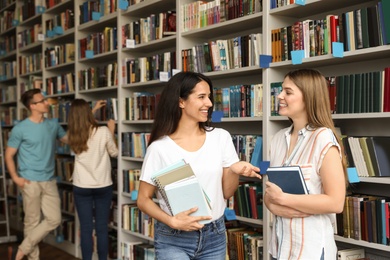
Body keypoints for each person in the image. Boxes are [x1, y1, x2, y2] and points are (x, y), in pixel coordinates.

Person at [137, 71, 261, 260]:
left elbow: (227, 193)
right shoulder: (159, 148)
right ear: (181, 102)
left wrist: (234, 170)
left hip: (214, 234)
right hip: (173, 237)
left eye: (209, 97)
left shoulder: (221, 138)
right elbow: (143, 199)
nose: (209, 104)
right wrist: (172, 221)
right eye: (201, 97)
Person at [264, 69, 347, 260]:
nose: (280, 96)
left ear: (308, 97)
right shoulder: (277, 139)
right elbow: (271, 193)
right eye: (281, 90)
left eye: (288, 92)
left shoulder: (323, 137)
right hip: (279, 249)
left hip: (310, 250)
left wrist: (283, 200)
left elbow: (335, 202)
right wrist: (272, 205)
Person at [5, 89, 68, 260]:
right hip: (29, 181)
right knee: (31, 222)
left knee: (54, 219)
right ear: (32, 106)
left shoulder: (53, 125)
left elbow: (70, 139)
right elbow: (9, 155)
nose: (47, 103)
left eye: (45, 100)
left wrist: (87, 117)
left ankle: (22, 249)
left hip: (49, 180)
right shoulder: (20, 128)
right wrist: (16, 178)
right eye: (42, 101)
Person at [67, 99, 118, 260]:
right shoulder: (103, 131)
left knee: (86, 228)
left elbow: (86, 129)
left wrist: (93, 111)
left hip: (81, 186)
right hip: (103, 185)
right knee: (102, 228)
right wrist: (112, 131)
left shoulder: (73, 135)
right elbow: (114, 152)